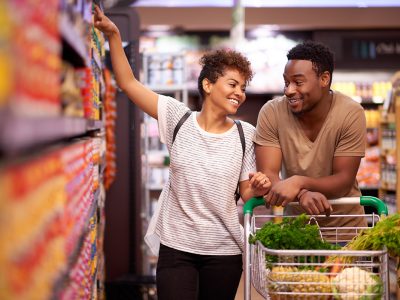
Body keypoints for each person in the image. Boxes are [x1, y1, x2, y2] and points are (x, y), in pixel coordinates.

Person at [93, 6, 271, 300]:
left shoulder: (245, 134)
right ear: (208, 84)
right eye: (232, 84)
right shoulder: (178, 118)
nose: (240, 93)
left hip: (223, 250)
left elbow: (245, 192)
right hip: (177, 248)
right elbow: (128, 83)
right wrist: (113, 34)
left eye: (243, 87)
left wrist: (259, 185)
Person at [254, 40, 367, 231]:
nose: (289, 90)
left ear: (324, 79)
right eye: (286, 82)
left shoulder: (350, 112)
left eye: (298, 82)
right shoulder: (271, 112)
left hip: (347, 231)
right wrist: (303, 194)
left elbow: (343, 180)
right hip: (297, 232)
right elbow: (268, 174)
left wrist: (299, 182)